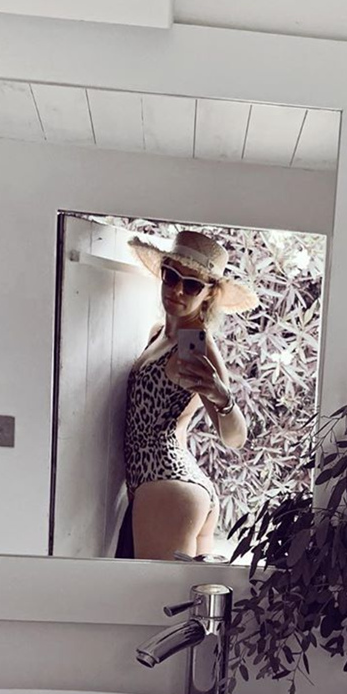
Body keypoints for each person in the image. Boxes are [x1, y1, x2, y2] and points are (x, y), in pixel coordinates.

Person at [115, 229, 257, 561]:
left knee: (152, 594)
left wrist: (224, 398)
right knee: (174, 594)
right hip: (170, 486)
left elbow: (235, 439)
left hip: (166, 487)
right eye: (171, 276)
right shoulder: (161, 334)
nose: (178, 290)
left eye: (192, 285)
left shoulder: (193, 345)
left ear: (209, 294)